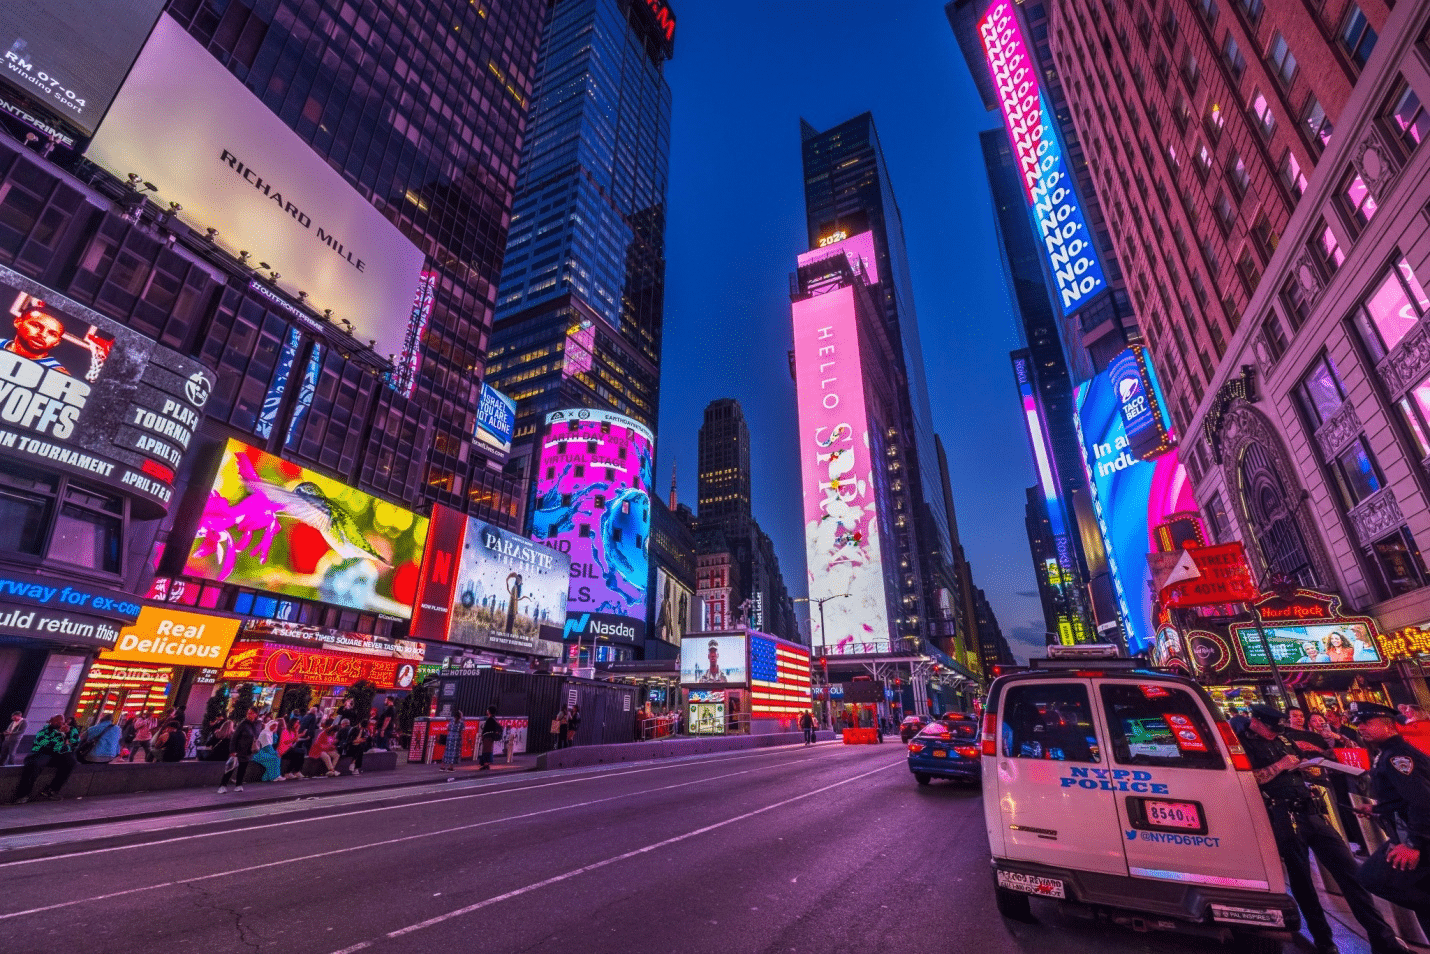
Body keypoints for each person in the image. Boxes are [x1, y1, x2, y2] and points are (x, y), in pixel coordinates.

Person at [1238, 705, 1409, 954]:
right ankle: (1324, 942)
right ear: (1256, 723)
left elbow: (1300, 761)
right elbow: (1246, 778)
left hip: (1312, 810)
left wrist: (1309, 766)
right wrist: (1280, 765)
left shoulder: (1284, 738)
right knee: (1303, 882)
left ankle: (1384, 940)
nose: (1275, 733)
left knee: (1351, 873)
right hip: (1282, 813)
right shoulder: (1241, 743)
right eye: (1270, 728)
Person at [1348, 701, 1430, 938]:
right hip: (1409, 833)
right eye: (1357, 723)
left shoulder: (1398, 757)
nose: (1360, 727)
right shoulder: (1388, 753)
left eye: (1366, 722)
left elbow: (1422, 801)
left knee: (1372, 878)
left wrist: (1413, 844)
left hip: (1417, 838)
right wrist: (1377, 809)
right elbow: (1401, 798)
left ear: (1388, 726)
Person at [9, 714, 79, 804]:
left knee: (71, 762)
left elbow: (75, 744)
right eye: (55, 721)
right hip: (44, 753)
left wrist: (68, 734)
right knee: (34, 764)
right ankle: (23, 795)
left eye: (60, 721)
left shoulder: (71, 730)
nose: (57, 723)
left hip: (59, 754)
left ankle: (52, 790)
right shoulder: (46, 730)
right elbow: (44, 744)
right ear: (51, 721)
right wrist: (60, 734)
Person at [0, 303, 71, 374]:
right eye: (36, 326)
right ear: (18, 322)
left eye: (52, 334)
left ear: (57, 342)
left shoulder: (57, 374)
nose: (43, 334)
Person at [218, 707, 259, 793]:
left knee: (242, 769)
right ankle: (222, 785)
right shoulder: (243, 724)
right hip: (238, 750)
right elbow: (234, 737)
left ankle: (239, 785)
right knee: (230, 768)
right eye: (248, 712)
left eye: (251, 713)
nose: (249, 714)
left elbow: (256, 736)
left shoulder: (255, 725)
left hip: (247, 751)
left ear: (256, 714)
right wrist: (232, 750)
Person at [252, 717, 281, 782]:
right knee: (275, 758)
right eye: (273, 726)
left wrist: (275, 733)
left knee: (276, 757)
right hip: (259, 753)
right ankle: (274, 776)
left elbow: (274, 742)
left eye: (276, 726)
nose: (275, 727)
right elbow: (267, 747)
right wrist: (276, 753)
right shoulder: (265, 733)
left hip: (264, 752)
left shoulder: (269, 733)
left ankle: (268, 777)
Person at [478, 707, 501, 771]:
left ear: (489, 711)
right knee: (489, 750)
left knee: (486, 750)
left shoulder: (490, 719)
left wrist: (483, 735)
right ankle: (487, 764)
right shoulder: (494, 719)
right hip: (491, 737)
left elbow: (486, 729)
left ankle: (485, 764)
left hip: (487, 737)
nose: (486, 711)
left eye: (488, 710)